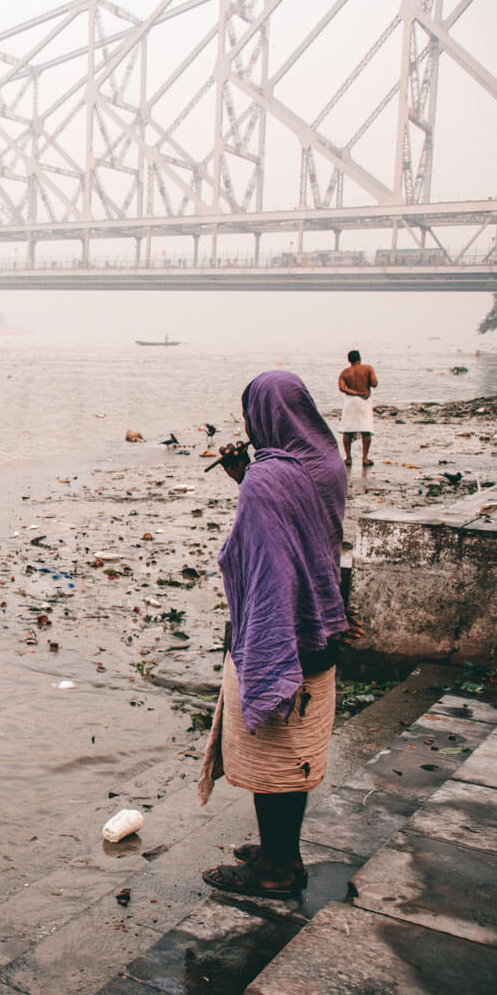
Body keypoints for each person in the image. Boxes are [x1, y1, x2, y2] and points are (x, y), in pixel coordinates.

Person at [199, 370, 350, 898]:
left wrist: (250, 478)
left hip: (279, 630)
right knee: (295, 750)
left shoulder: (270, 479)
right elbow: (299, 532)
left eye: (248, 415)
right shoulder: (328, 462)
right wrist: (250, 475)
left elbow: (258, 554)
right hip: (322, 621)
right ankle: (281, 849)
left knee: (272, 755)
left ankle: (276, 869)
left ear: (262, 416)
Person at [337, 349, 378, 467]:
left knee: (347, 430)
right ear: (360, 358)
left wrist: (355, 392)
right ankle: (365, 458)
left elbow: (342, 388)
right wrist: (362, 390)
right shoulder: (368, 368)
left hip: (350, 401)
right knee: (366, 429)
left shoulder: (344, 372)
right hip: (364, 400)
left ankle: (348, 458)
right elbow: (374, 383)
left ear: (349, 360)